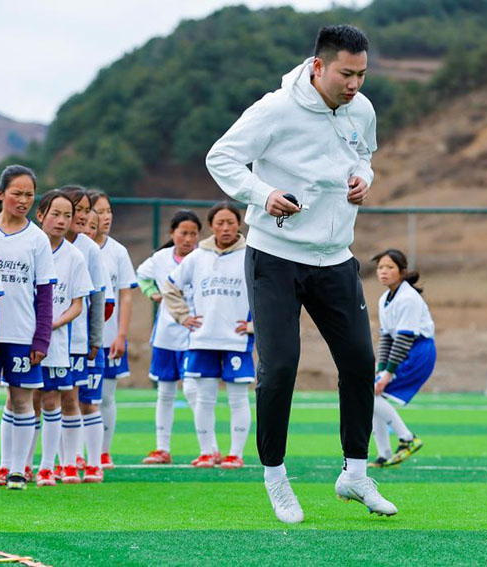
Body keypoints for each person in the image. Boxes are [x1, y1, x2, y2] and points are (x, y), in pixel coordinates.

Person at [205, 24, 397, 523]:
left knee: (359, 362)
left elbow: (366, 156)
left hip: (335, 257)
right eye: (345, 74)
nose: (354, 84)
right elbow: (220, 156)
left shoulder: (363, 109)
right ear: (318, 66)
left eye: (361, 74)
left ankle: (355, 473)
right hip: (275, 256)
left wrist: (363, 179)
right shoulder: (275, 108)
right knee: (282, 364)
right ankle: (275, 475)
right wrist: (262, 194)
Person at [0, 165, 55, 490]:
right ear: (0, 194)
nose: (23, 200)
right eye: (16, 193)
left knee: (22, 402)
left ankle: (17, 469)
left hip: (22, 333)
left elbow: (45, 295)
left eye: (29, 194)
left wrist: (41, 339)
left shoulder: (38, 239)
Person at [163, 203, 253, 469]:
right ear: (211, 226)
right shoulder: (197, 256)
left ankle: (235, 454)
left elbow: (273, 290)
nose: (225, 228)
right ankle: (206, 452)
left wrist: (255, 324)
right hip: (202, 339)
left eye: (231, 222)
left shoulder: (252, 255)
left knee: (238, 398)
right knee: (204, 398)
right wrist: (183, 316)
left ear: (240, 224)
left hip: (237, 339)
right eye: (219, 223)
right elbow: (170, 286)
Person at [35, 190, 94, 486]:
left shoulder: (75, 256)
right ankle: (15, 466)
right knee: (22, 400)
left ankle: (52, 466)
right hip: (23, 338)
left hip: (57, 342)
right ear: (40, 215)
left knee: (52, 400)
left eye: (67, 216)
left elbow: (78, 304)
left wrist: (51, 323)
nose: (62, 221)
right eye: (55, 214)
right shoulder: (29, 245)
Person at [57, 185, 111, 484]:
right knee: (52, 398)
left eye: (87, 209)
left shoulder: (88, 248)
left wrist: (95, 339)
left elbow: (98, 295)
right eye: (79, 208)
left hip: (78, 338)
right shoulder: (45, 241)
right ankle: (58, 462)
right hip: (49, 338)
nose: (83, 215)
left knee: (83, 399)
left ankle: (91, 463)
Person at [138, 210, 202, 465]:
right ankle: (162, 449)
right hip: (165, 334)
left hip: (195, 334)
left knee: (192, 390)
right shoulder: (160, 259)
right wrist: (152, 293)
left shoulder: (203, 257)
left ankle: (208, 449)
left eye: (193, 234)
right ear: (172, 234)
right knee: (165, 392)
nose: (187, 238)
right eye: (183, 233)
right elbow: (140, 275)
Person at [369, 249, 435, 467]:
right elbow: (387, 336)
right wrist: (381, 368)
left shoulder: (408, 298)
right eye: (380, 267)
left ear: (402, 271)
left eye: (390, 267)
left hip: (417, 352)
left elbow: (405, 338)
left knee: (371, 394)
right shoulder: (384, 299)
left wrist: (388, 373)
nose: (383, 272)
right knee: (373, 395)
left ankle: (407, 439)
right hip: (405, 351)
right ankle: (384, 453)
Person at [89, 189, 138, 469]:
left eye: (109, 211)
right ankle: (76, 454)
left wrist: (121, 334)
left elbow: (126, 295)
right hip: (82, 340)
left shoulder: (118, 251)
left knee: (106, 396)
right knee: (78, 397)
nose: (106, 217)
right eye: (100, 211)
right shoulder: (78, 248)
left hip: (109, 339)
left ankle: (103, 451)